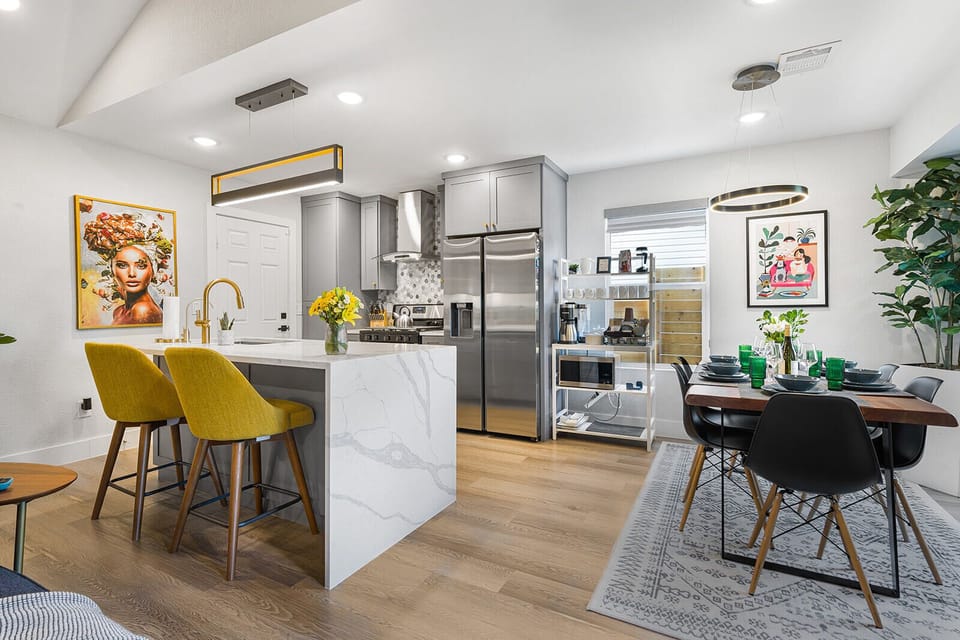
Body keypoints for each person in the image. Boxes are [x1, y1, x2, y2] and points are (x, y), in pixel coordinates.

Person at [111, 245, 162, 324]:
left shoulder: (143, 310)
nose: (132, 274)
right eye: (122, 265)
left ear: (153, 271)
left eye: (141, 266)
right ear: (112, 270)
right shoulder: (118, 311)